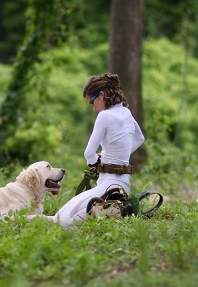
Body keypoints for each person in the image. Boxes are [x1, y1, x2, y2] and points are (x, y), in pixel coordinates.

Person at [48, 73, 145, 227]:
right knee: (60, 217)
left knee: (61, 221)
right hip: (124, 185)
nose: (93, 108)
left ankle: (107, 211)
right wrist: (116, 156)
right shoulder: (126, 112)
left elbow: (88, 154)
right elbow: (140, 139)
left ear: (101, 95)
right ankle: (114, 209)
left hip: (108, 185)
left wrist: (95, 161)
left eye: (92, 102)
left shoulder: (104, 116)